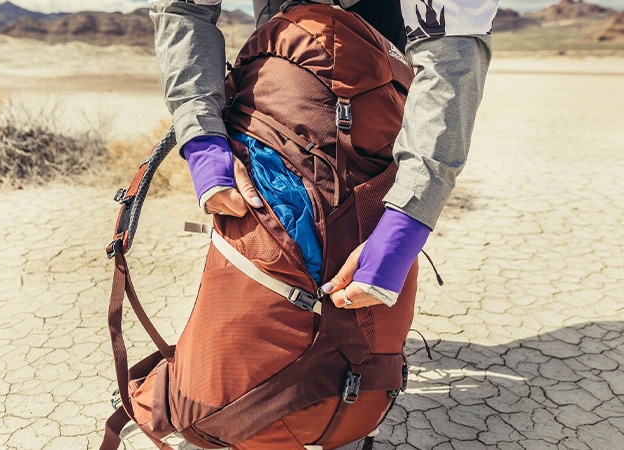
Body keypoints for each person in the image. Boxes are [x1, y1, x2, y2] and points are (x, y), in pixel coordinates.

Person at [148, 0, 495, 319]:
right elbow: (183, 8)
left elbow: (451, 48)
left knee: (362, 246)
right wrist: (203, 140)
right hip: (282, 55)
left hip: (382, 56)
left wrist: (409, 218)